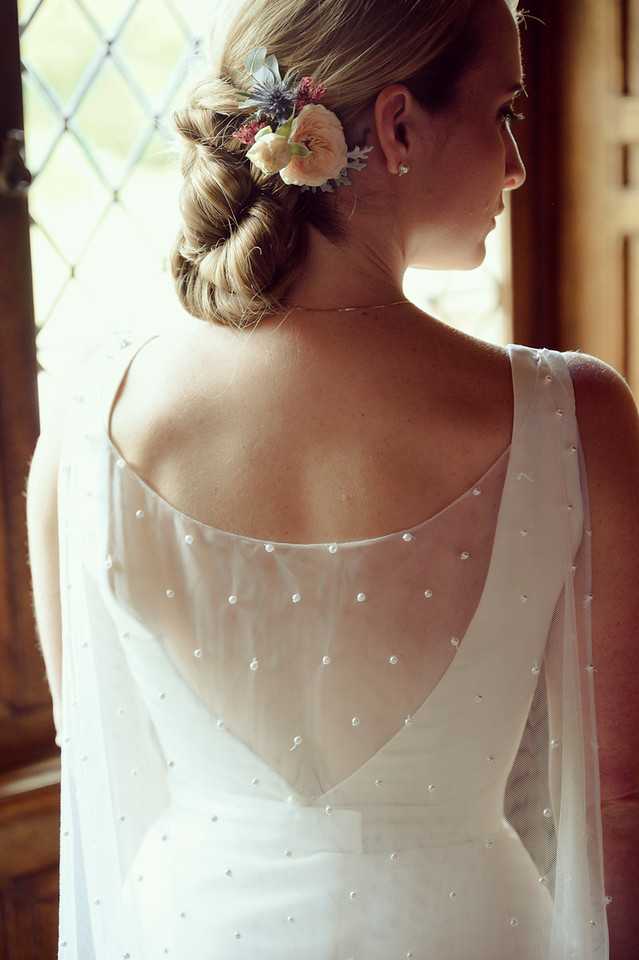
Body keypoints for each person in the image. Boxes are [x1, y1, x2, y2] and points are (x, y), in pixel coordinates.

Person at [25, 0, 639, 957]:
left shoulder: (89, 417)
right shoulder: (574, 418)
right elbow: (618, 801)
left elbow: (97, 749)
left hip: (189, 927)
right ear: (396, 126)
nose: (516, 164)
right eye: (504, 112)